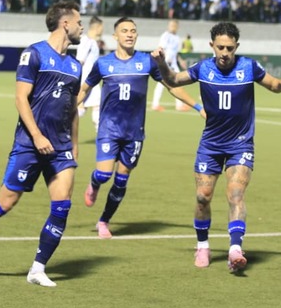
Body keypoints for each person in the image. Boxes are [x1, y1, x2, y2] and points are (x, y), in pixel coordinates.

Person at [0, 1, 84, 287]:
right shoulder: (34, 54)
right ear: (65, 23)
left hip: (60, 147)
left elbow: (72, 109)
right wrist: (37, 136)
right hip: (29, 144)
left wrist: (75, 144)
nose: (82, 27)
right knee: (5, 202)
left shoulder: (75, 65)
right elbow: (21, 99)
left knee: (62, 206)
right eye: (78, 22)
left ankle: (37, 268)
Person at [152, 22, 281, 273]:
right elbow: (173, 80)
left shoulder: (249, 67)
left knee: (236, 194)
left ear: (236, 47)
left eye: (230, 48)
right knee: (202, 197)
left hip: (240, 144)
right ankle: (202, 245)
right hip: (210, 144)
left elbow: (273, 85)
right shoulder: (203, 68)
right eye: (220, 47)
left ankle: (235, 250)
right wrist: (162, 63)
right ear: (212, 46)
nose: (224, 52)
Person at [77, 17, 205, 239]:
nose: (129, 34)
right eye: (124, 30)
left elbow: (172, 86)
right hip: (109, 128)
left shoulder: (147, 62)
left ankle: (104, 221)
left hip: (134, 132)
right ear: (115, 36)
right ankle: (94, 182)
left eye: (133, 31)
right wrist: (70, 106)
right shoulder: (103, 64)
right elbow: (85, 88)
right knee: (104, 174)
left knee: (121, 180)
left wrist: (197, 106)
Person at [150, 19, 197, 112]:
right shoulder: (166, 36)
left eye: (174, 25)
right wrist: (162, 61)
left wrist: (180, 60)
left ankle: (179, 105)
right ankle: (155, 104)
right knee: (162, 84)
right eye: (171, 25)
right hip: (166, 63)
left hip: (173, 63)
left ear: (177, 27)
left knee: (178, 82)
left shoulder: (177, 38)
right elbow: (161, 48)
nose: (172, 27)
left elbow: (174, 52)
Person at [76, 16, 104, 132]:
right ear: (97, 27)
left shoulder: (92, 42)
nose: (102, 30)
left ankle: (102, 134)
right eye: (102, 27)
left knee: (84, 107)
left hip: (92, 80)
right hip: (86, 80)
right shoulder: (86, 41)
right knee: (90, 106)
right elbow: (80, 60)